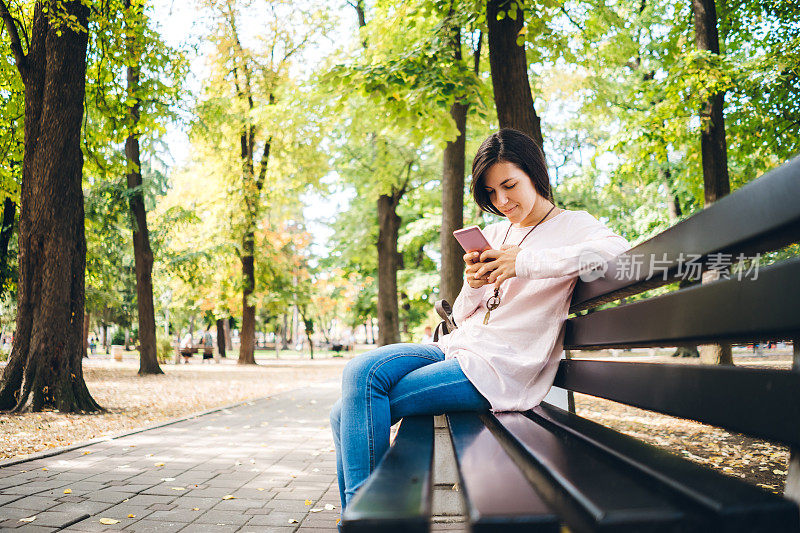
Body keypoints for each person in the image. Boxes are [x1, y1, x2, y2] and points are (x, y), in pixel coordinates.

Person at [329, 129, 630, 520]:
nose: (502, 201)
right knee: (358, 373)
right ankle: (362, 518)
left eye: (509, 185)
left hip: (501, 368)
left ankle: (364, 521)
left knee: (351, 409)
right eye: (490, 192)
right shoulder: (495, 231)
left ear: (535, 175)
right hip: (461, 348)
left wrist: (522, 263)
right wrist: (472, 285)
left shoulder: (573, 225)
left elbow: (618, 252)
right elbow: (466, 312)